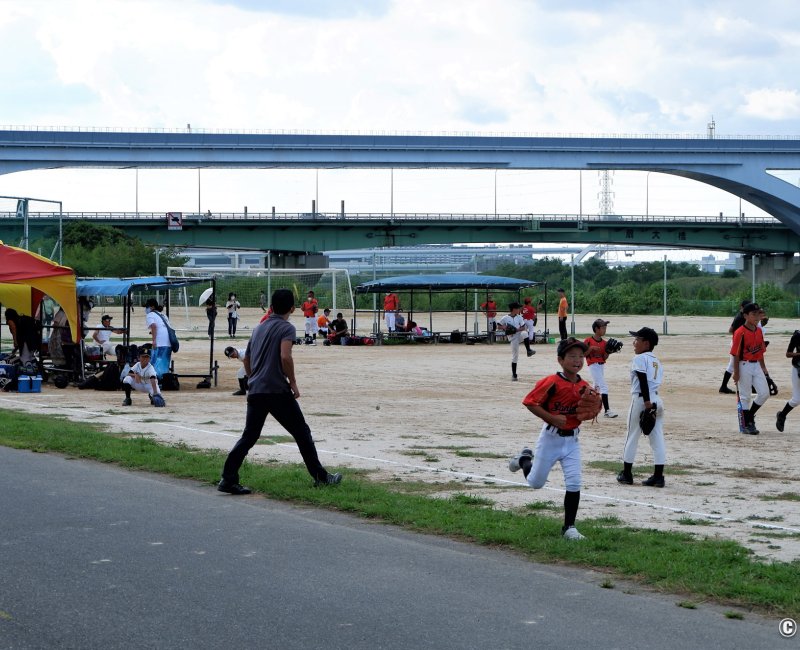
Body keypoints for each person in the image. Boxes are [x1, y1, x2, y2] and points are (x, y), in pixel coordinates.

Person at [218, 288, 343, 494]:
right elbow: (285, 356)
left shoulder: (259, 328)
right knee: (302, 432)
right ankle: (321, 478)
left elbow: (247, 358)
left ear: (272, 307)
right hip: (276, 389)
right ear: (293, 308)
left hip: (257, 389)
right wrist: (292, 382)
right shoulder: (287, 328)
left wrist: (252, 378)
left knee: (249, 436)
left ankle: (228, 478)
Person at [507, 337, 593, 541]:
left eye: (581, 356)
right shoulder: (552, 382)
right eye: (572, 356)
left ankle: (569, 527)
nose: (577, 360)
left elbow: (584, 409)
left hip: (572, 442)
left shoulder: (584, 385)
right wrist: (552, 418)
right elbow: (530, 402)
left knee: (574, 482)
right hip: (550, 439)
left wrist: (591, 411)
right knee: (536, 483)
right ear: (560, 360)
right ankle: (523, 459)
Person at [616, 327, 666, 487]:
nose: (634, 342)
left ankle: (627, 474)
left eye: (637, 339)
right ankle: (658, 476)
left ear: (646, 343)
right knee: (657, 437)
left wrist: (646, 403)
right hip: (657, 399)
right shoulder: (656, 361)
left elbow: (642, 378)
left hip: (642, 400)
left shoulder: (639, 359)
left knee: (632, 435)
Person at [731, 303, 771, 435]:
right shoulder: (739, 332)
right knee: (745, 396)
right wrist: (736, 373)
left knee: (764, 393)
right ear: (745, 316)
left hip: (756, 365)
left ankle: (749, 417)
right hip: (744, 365)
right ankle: (748, 424)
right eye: (753, 314)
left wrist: (764, 368)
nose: (757, 317)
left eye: (758, 314)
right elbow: (736, 354)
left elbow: (760, 351)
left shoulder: (759, 331)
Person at [583, 318, 618, 418]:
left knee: (596, 388)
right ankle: (607, 410)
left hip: (601, 365)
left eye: (605, 327)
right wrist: (591, 349)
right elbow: (583, 354)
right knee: (603, 387)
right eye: (602, 327)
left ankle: (589, 407)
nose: (605, 329)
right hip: (593, 365)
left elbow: (604, 357)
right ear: (596, 329)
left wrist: (609, 352)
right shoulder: (588, 341)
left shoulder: (604, 343)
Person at [719, 300, 751, 394]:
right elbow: (732, 330)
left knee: (743, 364)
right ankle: (723, 387)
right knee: (732, 365)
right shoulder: (741, 318)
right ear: (742, 308)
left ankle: (724, 387)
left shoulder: (740, 316)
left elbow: (730, 329)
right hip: (737, 344)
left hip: (738, 343)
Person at [498, 302, 535, 382]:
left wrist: (516, 329)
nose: (519, 309)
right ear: (514, 309)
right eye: (518, 308)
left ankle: (528, 350)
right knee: (515, 356)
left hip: (519, 335)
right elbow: (498, 326)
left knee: (525, 333)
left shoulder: (519, 317)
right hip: (513, 338)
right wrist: (505, 327)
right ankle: (514, 374)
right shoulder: (505, 318)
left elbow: (523, 327)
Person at [776, 327, 800, 432]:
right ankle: (782, 415)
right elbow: (788, 354)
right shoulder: (797, 336)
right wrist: (799, 354)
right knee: (796, 400)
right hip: (798, 368)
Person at [144, 298, 172, 378]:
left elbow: (154, 326)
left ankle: (156, 380)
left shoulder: (150, 315)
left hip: (160, 342)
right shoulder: (163, 315)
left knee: (156, 362)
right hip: (168, 342)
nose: (146, 309)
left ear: (152, 307)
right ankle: (163, 379)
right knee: (164, 363)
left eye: (147, 307)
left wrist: (154, 341)